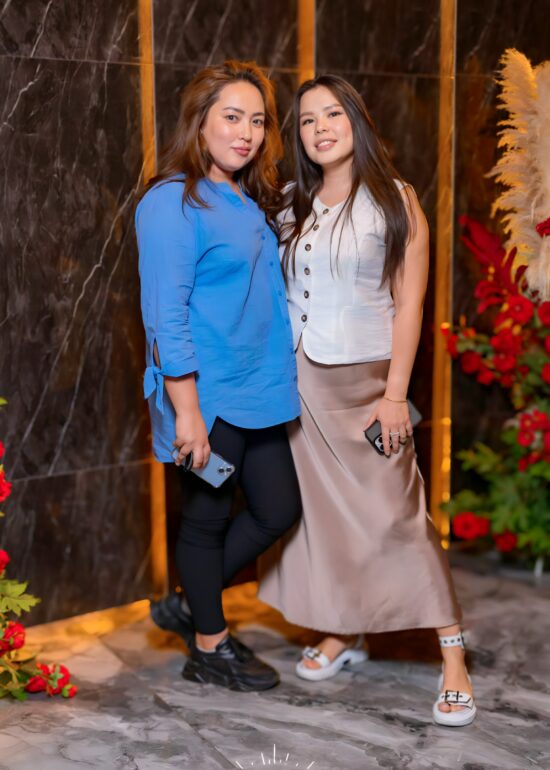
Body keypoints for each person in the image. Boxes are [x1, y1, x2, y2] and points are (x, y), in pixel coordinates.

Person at [258, 74, 476, 727]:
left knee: (397, 515)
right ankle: (345, 630)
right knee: (323, 520)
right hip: (299, 384)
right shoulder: (291, 201)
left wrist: (394, 395)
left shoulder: (395, 199)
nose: (320, 128)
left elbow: (410, 305)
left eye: (332, 114)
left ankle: (454, 655)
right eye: (307, 120)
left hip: (366, 386)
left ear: (356, 120)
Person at [136, 60, 301, 693]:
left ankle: (192, 602)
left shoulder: (242, 196)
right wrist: (187, 413)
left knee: (277, 509)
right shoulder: (171, 202)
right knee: (205, 521)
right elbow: (166, 317)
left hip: (259, 388)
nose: (247, 133)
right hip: (207, 395)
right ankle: (209, 646)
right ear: (200, 122)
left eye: (257, 121)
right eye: (232, 117)